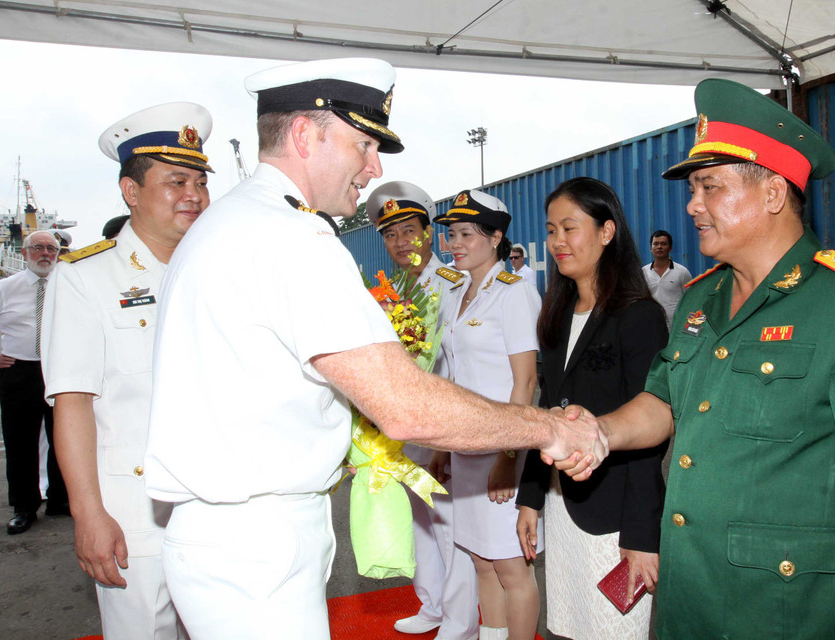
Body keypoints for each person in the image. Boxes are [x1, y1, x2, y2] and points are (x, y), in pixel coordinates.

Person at [142, 58, 605, 640]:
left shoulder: (237, 221)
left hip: (229, 536)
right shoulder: (290, 237)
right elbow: (404, 404)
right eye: (362, 144)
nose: (373, 166)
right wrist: (550, 430)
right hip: (253, 542)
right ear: (307, 135)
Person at [557, 78, 835, 640]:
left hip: (787, 608)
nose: (692, 205)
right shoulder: (699, 298)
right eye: (693, 189)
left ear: (773, 194)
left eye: (710, 187)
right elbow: (663, 401)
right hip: (690, 597)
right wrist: (600, 432)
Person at [42, 101, 213, 639]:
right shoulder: (84, 278)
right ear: (131, 191)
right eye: (176, 181)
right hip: (135, 510)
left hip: (219, 500)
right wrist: (88, 513)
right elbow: (72, 402)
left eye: (201, 182)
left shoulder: (218, 270)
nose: (194, 195)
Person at [516, 177, 668, 640]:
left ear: (607, 232)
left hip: (615, 519)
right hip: (565, 508)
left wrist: (642, 537)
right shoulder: (557, 314)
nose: (557, 241)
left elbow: (649, 430)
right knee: (567, 627)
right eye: (550, 230)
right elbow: (548, 414)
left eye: (569, 228)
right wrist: (531, 498)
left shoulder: (639, 316)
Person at [366, 181, 479, 640]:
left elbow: (460, 360)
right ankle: (431, 604)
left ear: (428, 233)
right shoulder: (389, 289)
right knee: (419, 519)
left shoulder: (453, 283)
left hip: (441, 423)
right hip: (403, 425)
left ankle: (462, 621)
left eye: (409, 232)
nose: (400, 243)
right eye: (391, 235)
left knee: (450, 523)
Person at [429, 189, 542, 640]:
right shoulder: (456, 293)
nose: (454, 243)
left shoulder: (514, 294)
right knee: (480, 559)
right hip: (465, 448)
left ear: (496, 237)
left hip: (501, 450)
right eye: (451, 234)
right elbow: (454, 375)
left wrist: (508, 457)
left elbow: (526, 382)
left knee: (512, 567)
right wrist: (442, 449)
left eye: (466, 234)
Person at [0, 230, 67, 534]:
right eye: (38, 248)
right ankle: (24, 507)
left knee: (63, 438)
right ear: (25, 253)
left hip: (59, 370)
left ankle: (60, 500)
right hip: (19, 370)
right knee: (20, 441)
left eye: (52, 249)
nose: (45, 254)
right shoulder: (4, 288)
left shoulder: (68, 286)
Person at [641, 230, 692, 329]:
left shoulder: (682, 272)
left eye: (664, 244)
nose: (659, 247)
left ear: (670, 248)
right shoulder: (643, 273)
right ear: (651, 248)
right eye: (656, 244)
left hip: (675, 328)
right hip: (650, 326)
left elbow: (691, 300)